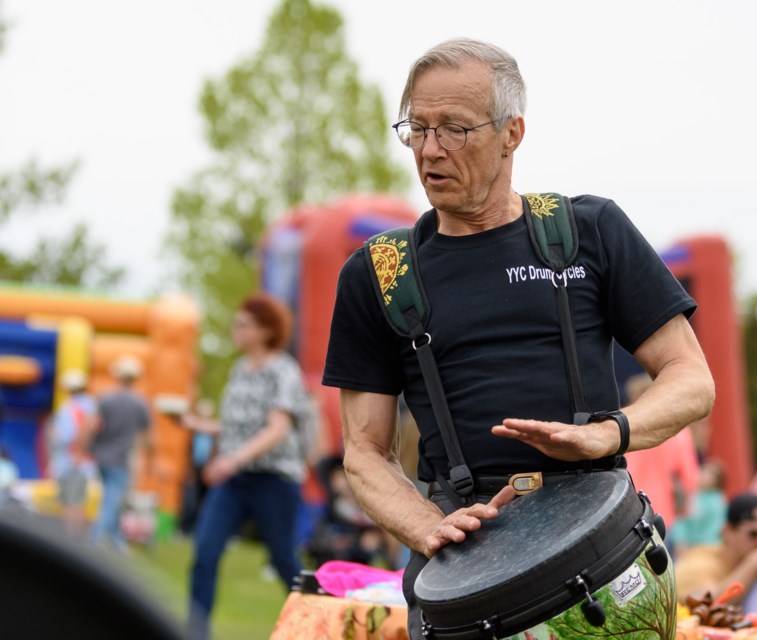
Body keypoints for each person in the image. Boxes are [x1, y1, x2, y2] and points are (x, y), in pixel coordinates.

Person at [322, 38, 715, 638]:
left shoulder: (591, 231)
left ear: (512, 133)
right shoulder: (378, 273)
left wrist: (606, 433)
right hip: (461, 557)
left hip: (603, 539)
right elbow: (364, 450)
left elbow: (691, 379)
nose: (430, 151)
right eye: (417, 129)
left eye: (454, 129)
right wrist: (427, 526)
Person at [183, 294, 311, 640]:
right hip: (236, 480)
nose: (234, 330)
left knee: (284, 561)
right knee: (205, 551)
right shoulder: (239, 370)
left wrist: (230, 460)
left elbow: (276, 428)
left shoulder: (282, 370)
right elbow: (237, 425)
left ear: (265, 330)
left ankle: (319, 625)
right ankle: (195, 632)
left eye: (242, 324)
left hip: (274, 479)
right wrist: (198, 424)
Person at [674, 493, 757, 604]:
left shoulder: (754, 562)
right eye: (754, 534)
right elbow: (706, 605)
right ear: (727, 531)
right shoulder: (701, 561)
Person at [89, 355, 153, 552]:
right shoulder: (140, 403)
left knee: (112, 497)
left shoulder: (105, 398)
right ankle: (95, 540)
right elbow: (147, 437)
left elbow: (93, 426)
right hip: (121, 458)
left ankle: (117, 542)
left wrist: (87, 448)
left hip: (101, 455)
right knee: (113, 499)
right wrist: (149, 460)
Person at [623, 373, 701, 531]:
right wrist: (685, 506)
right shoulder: (677, 430)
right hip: (661, 511)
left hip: (624, 506)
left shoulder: (619, 427)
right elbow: (690, 477)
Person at [46, 369, 99, 537]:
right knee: (76, 501)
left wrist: (77, 452)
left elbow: (68, 434)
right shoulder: (89, 405)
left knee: (71, 502)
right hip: (79, 460)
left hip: (70, 459)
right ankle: (78, 537)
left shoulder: (73, 407)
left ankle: (73, 538)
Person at [670, 459, 728, 555]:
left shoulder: (718, 501)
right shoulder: (694, 495)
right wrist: (680, 540)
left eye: (710, 475)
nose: (704, 477)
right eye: (704, 472)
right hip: (687, 545)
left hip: (706, 547)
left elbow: (715, 528)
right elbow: (682, 520)